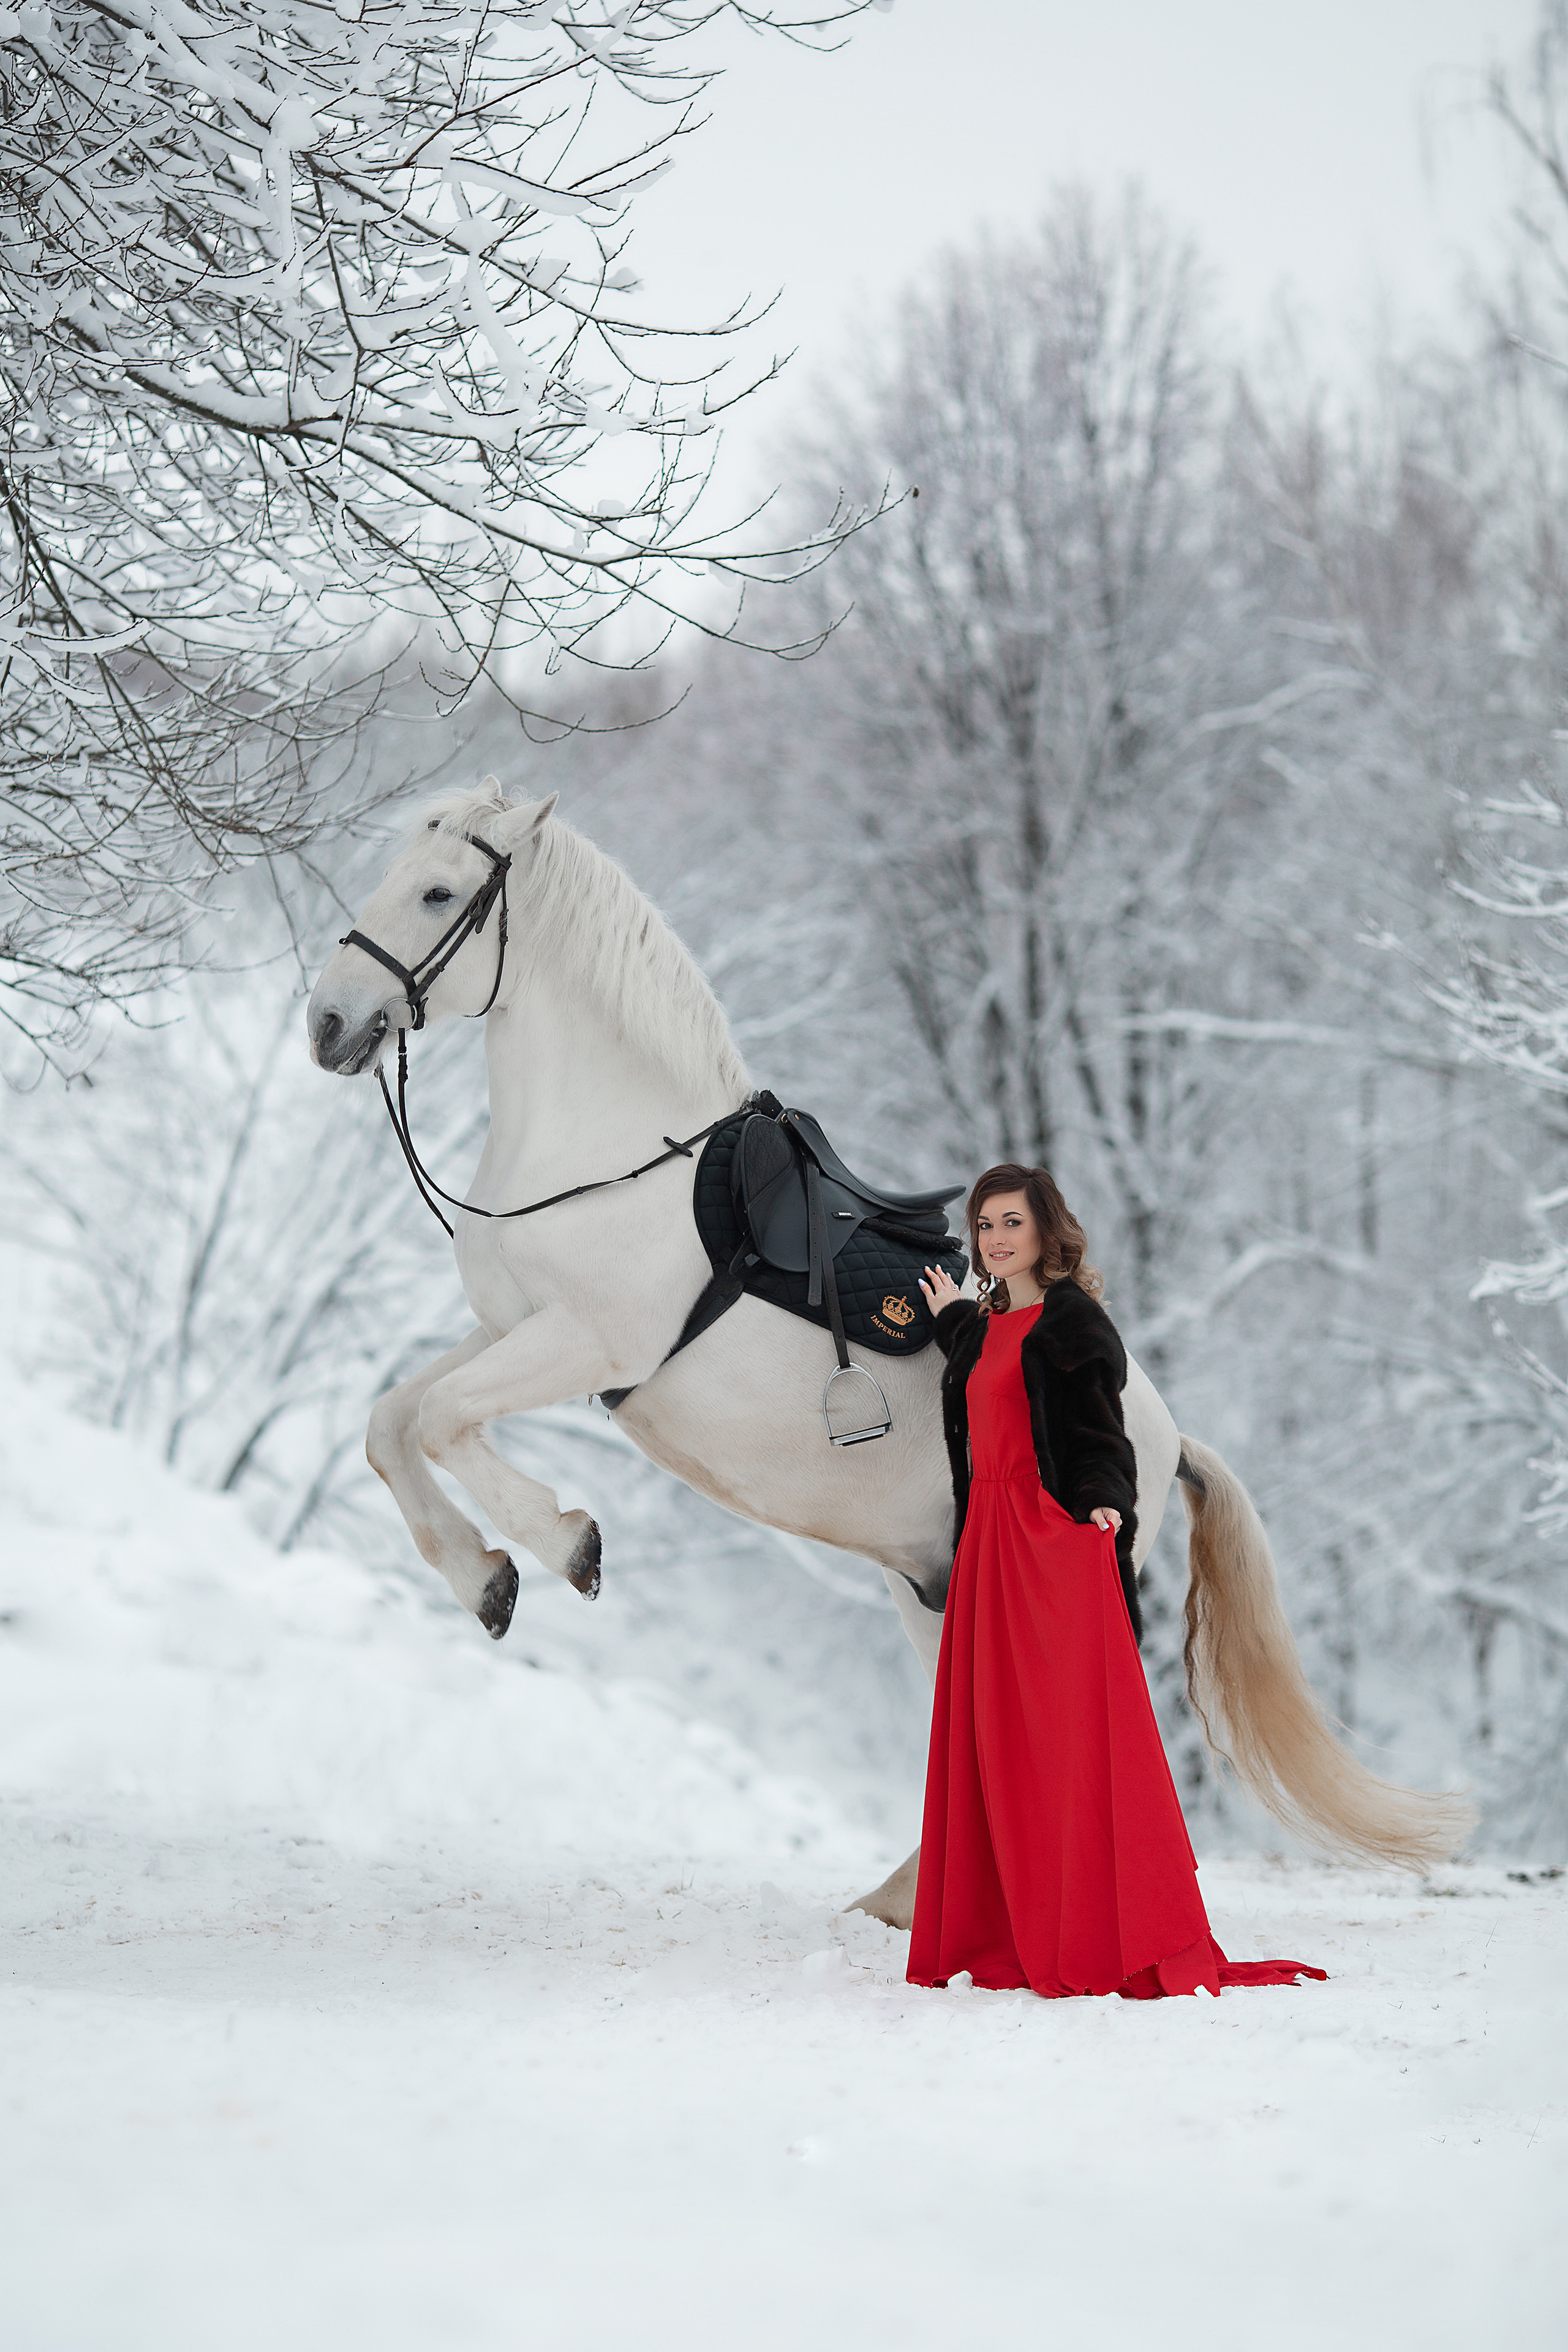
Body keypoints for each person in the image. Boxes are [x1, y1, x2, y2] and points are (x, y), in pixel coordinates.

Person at [909, 1163, 1325, 2002]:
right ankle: (1018, 1930)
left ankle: (1098, 1927)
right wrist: (954, 1316)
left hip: (1049, 1541)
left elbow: (1098, 1424)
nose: (995, 1238)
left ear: (1046, 1232)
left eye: (1011, 1224)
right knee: (999, 1736)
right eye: (985, 1225)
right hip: (988, 1541)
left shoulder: (1073, 1322)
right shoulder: (988, 1323)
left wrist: (1102, 1503)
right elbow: (989, 1374)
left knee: (1069, 1738)